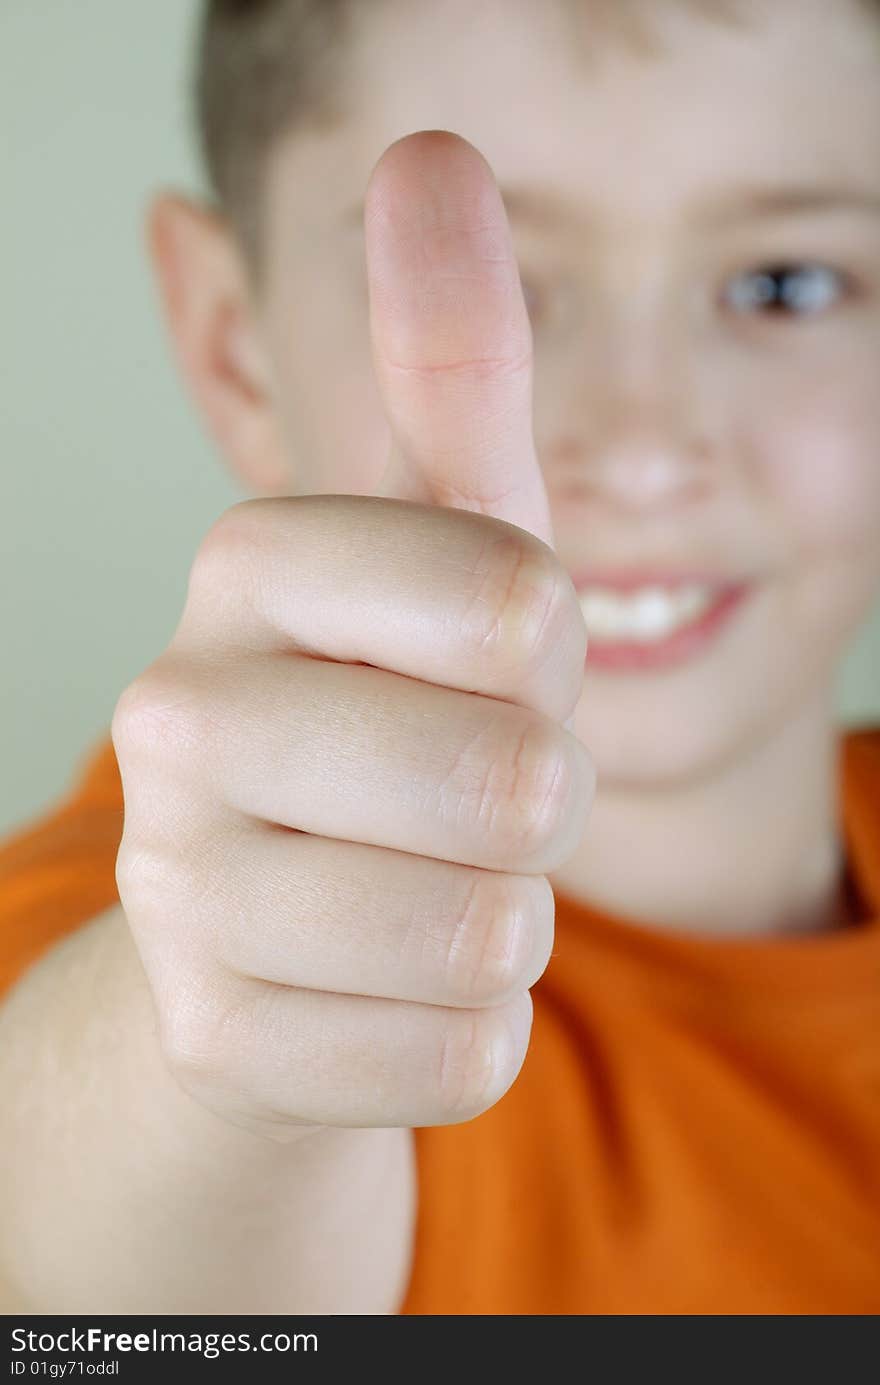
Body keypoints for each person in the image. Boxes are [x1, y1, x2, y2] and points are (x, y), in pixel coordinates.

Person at [1, 0, 879, 1314]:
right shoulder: (165, 920)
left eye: (784, 286)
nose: (643, 450)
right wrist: (209, 1056)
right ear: (232, 345)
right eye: (511, 284)